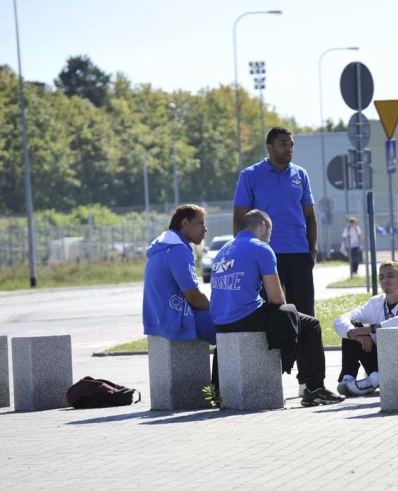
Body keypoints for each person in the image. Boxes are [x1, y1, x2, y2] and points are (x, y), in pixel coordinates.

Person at [210, 209, 342, 407]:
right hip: (245, 317)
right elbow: (276, 297)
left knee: (287, 316)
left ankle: (216, 391)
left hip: (221, 322)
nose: (270, 238)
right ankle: (314, 389)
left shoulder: (224, 249)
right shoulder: (261, 248)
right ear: (263, 226)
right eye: (270, 232)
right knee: (309, 324)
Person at [233, 126, 319, 318]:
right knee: (271, 313)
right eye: (283, 144)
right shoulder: (250, 175)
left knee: (304, 314)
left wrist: (312, 250)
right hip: (264, 253)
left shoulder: (301, 174)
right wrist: (241, 252)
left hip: (299, 253)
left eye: (291, 145)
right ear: (269, 147)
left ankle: (304, 349)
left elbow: (310, 216)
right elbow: (240, 217)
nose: (288, 148)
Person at [142, 204, 218, 388]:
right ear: (185, 223)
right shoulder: (178, 250)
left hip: (156, 319)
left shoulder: (163, 245)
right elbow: (193, 295)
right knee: (230, 328)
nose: (205, 228)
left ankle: (218, 387)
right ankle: (222, 390)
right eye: (200, 223)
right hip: (176, 318)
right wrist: (217, 311)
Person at [333, 261, 398, 397]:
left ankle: (374, 380)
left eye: (390, 276)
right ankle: (349, 377)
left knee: (368, 331)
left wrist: (370, 329)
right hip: (380, 359)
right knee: (352, 326)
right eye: (381, 277)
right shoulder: (375, 302)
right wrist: (356, 335)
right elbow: (340, 319)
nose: (385, 280)